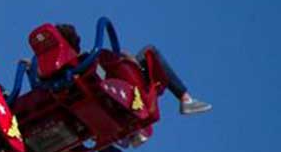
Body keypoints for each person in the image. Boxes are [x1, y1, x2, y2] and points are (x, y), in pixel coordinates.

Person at [54, 23, 211, 116]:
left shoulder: (46, 75)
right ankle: (185, 99)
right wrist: (128, 60)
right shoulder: (89, 59)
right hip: (122, 92)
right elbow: (111, 68)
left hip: (83, 102)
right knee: (150, 51)